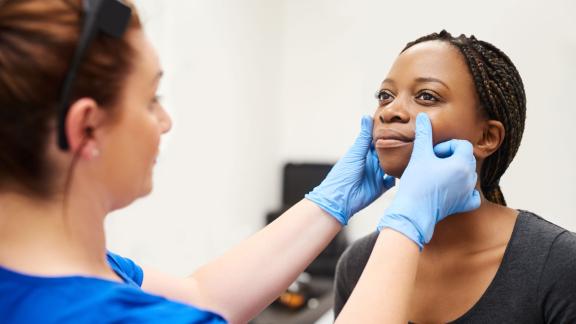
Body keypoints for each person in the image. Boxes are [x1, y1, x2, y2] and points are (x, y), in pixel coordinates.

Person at [0, 2, 479, 323]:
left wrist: (331, 201)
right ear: (85, 128)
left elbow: (203, 295)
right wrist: (406, 224)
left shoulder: (81, 270)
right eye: (151, 100)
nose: (164, 122)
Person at [334, 30, 576, 323]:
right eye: (385, 96)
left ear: (487, 136)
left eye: (426, 96)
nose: (390, 112)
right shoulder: (358, 264)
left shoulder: (559, 264)